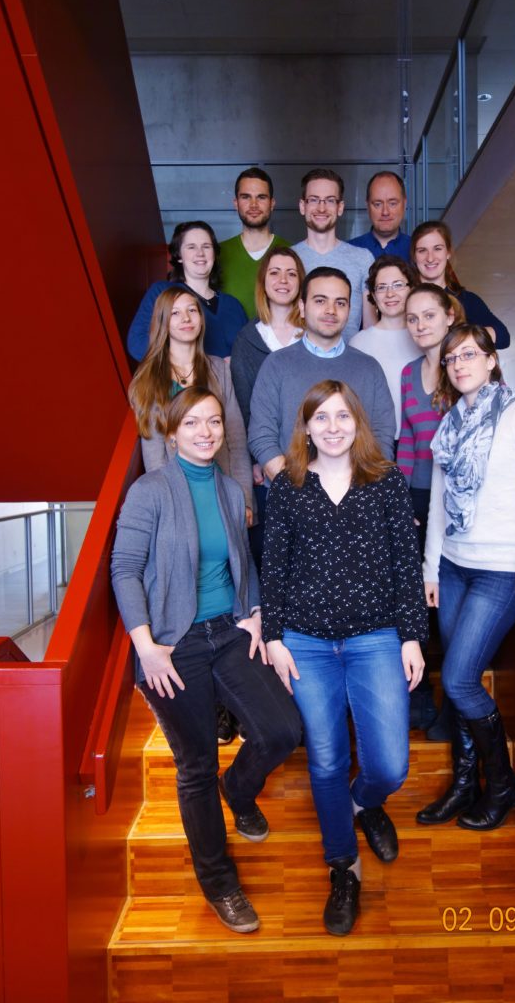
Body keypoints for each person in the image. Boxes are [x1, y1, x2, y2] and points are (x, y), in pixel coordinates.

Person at [111, 386, 301, 934]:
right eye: (191, 422)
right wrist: (145, 647)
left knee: (283, 730)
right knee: (196, 766)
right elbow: (124, 570)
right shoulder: (150, 491)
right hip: (173, 644)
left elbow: (243, 562)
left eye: (214, 421)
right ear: (172, 433)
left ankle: (237, 790)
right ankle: (220, 884)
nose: (205, 431)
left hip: (229, 631)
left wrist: (254, 612)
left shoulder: (228, 489)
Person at [261, 380, 428, 936]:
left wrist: (411, 637)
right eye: (321, 418)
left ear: (358, 423)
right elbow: (273, 567)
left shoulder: (385, 481)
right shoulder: (288, 485)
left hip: (375, 638)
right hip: (306, 643)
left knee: (390, 766)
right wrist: (275, 637)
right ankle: (343, 867)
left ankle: (363, 802)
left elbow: (406, 565)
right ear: (306, 428)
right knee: (327, 760)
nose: (332, 427)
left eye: (342, 416)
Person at [416, 326, 515, 832]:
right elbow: (440, 505)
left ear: (490, 360)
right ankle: (466, 785)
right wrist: (431, 568)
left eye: (469, 354)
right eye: (451, 358)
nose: (459, 364)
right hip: (454, 568)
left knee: (460, 680)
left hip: (500, 571)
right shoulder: (449, 425)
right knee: (456, 681)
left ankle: (504, 786)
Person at [248, 267, 396, 480]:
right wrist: (295, 491)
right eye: (320, 301)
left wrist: (357, 490)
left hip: (357, 493)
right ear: (302, 307)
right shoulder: (276, 365)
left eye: (340, 303)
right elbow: (261, 436)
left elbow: (382, 437)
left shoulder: (370, 368)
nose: (331, 310)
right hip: (291, 491)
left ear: (349, 310)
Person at [398, 282, 463, 735]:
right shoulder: (407, 373)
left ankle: (452, 706)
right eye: (412, 318)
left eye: (429, 315)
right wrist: (401, 500)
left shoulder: (464, 367)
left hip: (457, 502)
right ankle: (418, 696)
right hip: (418, 497)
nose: (420, 325)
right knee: (413, 596)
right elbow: (407, 441)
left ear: (449, 316)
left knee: (450, 602)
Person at [128, 286, 252, 517]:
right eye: (175, 313)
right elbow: (154, 454)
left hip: (223, 492)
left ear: (201, 319)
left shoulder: (219, 369)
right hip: (177, 498)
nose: (186, 318)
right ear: (162, 322)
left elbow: (236, 440)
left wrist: (244, 500)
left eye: (192, 310)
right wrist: (169, 509)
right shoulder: (147, 379)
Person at [230, 245, 306, 566]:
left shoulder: (315, 335)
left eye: (291, 274)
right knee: (272, 553)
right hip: (267, 464)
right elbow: (242, 405)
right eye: (275, 273)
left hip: (315, 461)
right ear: (263, 281)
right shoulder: (247, 339)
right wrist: (254, 459)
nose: (283, 280)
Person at [127, 221, 247, 362]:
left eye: (206, 246)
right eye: (191, 247)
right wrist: (196, 365)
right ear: (179, 256)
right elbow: (137, 343)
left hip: (229, 377)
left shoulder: (233, 305)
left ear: (214, 254)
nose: (200, 253)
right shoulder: (162, 291)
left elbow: (248, 351)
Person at [292, 168, 375, 338]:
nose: (321, 208)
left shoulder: (363, 258)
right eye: (314, 200)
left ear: (340, 207)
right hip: (298, 354)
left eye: (330, 200)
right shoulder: (288, 260)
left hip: (349, 354)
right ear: (302, 206)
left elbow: (370, 328)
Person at [349, 254, 420, 444]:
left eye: (398, 285)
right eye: (381, 287)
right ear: (372, 295)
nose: (390, 294)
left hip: (420, 441)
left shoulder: (424, 337)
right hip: (374, 443)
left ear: (411, 289)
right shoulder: (358, 343)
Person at [410, 221, 511, 349]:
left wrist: (458, 341)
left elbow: (503, 337)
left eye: (437, 249)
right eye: (422, 250)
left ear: (448, 253)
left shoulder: (467, 300)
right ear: (414, 256)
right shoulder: (405, 298)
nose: (430, 258)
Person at [219, 167, 290, 320]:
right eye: (246, 197)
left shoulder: (291, 252)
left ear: (272, 203)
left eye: (261, 197)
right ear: (236, 203)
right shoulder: (216, 254)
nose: (253, 205)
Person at [349, 171, 411, 261]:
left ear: (404, 204)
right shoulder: (349, 251)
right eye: (377, 204)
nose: (385, 212)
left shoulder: (418, 251)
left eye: (392, 204)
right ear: (367, 206)